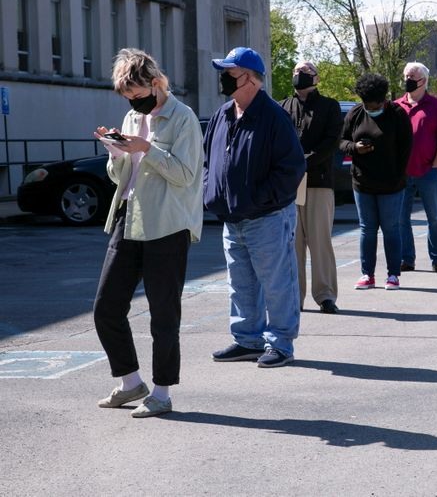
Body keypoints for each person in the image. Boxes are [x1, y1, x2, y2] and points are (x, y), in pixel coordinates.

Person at [93, 48, 204, 418]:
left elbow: (186, 176)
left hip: (167, 226)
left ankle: (161, 392)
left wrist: (146, 149)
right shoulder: (129, 116)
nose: (134, 104)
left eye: (138, 96)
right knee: (106, 307)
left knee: (163, 315)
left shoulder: (183, 117)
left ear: (156, 84)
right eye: (128, 98)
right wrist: (116, 153)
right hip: (130, 217)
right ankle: (130, 382)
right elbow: (121, 176)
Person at [204, 47, 305, 368]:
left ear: (249, 78)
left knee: (277, 283)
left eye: (229, 73)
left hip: (268, 217)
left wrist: (260, 198)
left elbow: (291, 169)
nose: (223, 79)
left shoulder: (274, 116)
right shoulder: (222, 115)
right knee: (241, 283)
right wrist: (212, 192)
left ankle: (281, 343)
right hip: (232, 218)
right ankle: (247, 339)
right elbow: (209, 160)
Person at [280, 61, 343, 314]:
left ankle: (325, 295)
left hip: (318, 181)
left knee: (320, 242)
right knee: (292, 244)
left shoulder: (330, 106)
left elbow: (331, 142)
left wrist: (303, 161)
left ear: (316, 79)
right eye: (295, 71)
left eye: (304, 72)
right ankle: (295, 297)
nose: (298, 75)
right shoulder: (283, 106)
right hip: (289, 186)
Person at [340, 73, 412, 290]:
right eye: (367, 105)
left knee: (391, 229)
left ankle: (393, 275)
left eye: (374, 105)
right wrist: (355, 148)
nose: (370, 109)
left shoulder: (398, 115)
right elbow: (341, 141)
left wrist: (398, 177)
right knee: (367, 229)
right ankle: (367, 274)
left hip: (391, 184)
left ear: (383, 100)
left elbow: (406, 149)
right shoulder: (355, 113)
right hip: (362, 183)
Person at [395, 62, 437, 273]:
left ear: (424, 81)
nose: (407, 80)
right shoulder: (396, 106)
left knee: (435, 217)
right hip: (402, 173)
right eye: (406, 76)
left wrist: (436, 164)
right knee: (401, 218)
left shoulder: (436, 106)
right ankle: (406, 259)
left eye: (412, 76)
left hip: (428, 171)